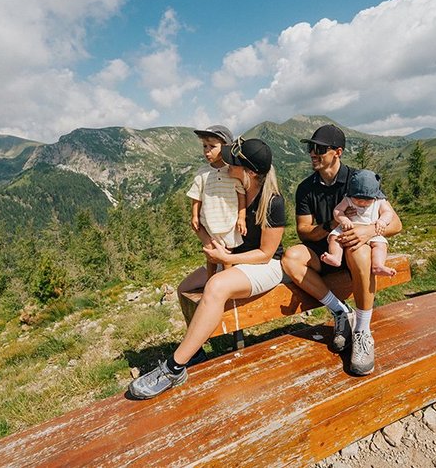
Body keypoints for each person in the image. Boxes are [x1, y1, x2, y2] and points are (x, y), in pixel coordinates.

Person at [128, 138, 286, 399]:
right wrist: (210, 242)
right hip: (235, 259)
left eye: (233, 162)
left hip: (266, 265)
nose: (227, 164)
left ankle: (174, 367)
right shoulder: (237, 192)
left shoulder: (272, 202)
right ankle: (197, 348)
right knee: (185, 288)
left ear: (249, 171)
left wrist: (226, 257)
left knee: (215, 286)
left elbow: (266, 253)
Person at [281, 124, 402, 376]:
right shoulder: (306, 188)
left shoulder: (360, 180)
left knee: (358, 249)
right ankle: (340, 311)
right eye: (310, 148)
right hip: (324, 249)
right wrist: (332, 224)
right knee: (290, 257)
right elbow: (304, 231)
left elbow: (396, 223)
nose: (312, 153)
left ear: (338, 152)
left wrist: (369, 231)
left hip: (357, 251)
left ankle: (362, 332)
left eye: (319, 149)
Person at [187, 125, 247, 278]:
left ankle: (227, 282)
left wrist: (241, 217)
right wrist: (194, 215)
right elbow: (196, 195)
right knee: (210, 252)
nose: (207, 151)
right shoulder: (203, 171)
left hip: (229, 220)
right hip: (209, 220)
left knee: (227, 253)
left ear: (225, 147)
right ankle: (210, 279)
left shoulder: (232, 171)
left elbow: (241, 194)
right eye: (204, 146)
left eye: (212, 147)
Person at [321, 169, 398, 277]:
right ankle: (335, 257)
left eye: (367, 200)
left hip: (371, 230)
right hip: (348, 229)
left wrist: (382, 221)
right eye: (357, 199)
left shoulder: (379, 201)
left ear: (375, 196)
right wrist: (344, 219)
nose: (362, 202)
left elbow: (388, 212)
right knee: (335, 238)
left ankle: (378, 265)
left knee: (381, 245)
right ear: (351, 194)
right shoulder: (348, 199)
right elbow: (337, 210)